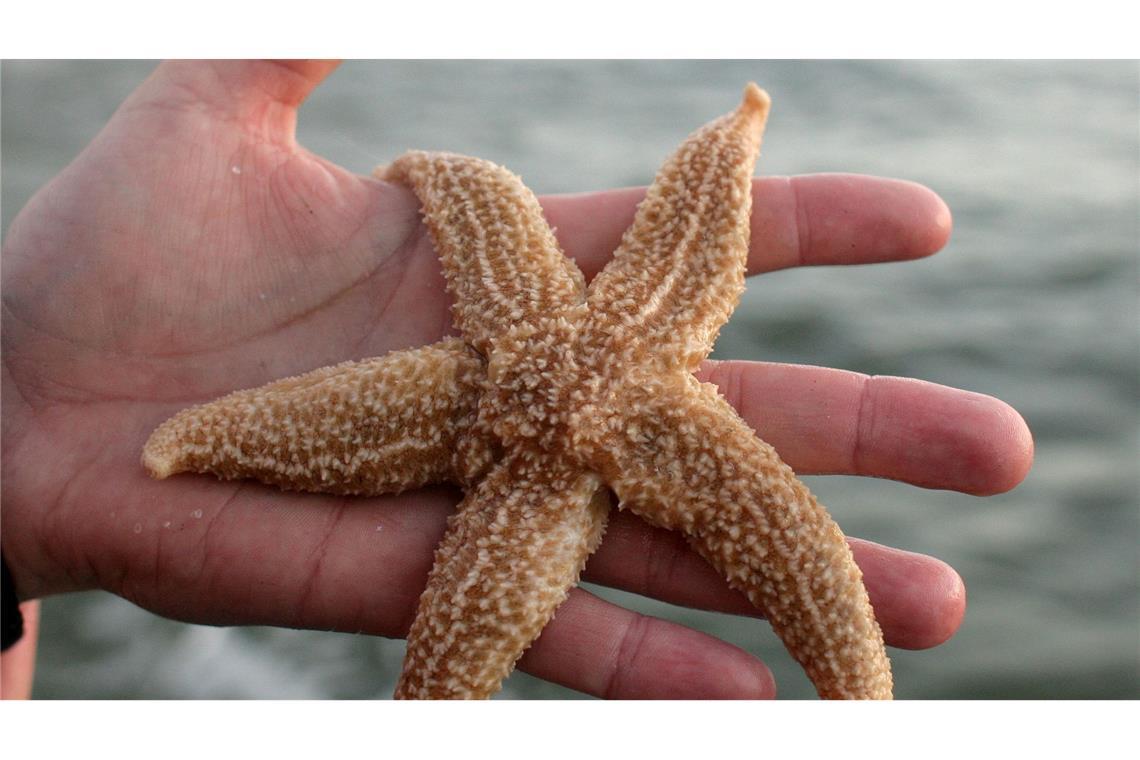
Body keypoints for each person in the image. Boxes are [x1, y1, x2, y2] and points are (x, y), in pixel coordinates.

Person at [0, 60, 1033, 699]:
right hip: (526, 452)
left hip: (538, 463)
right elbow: (481, 190)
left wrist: (22, 424)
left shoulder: (596, 311)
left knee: (815, 589)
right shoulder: (596, 310)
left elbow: (521, 192)